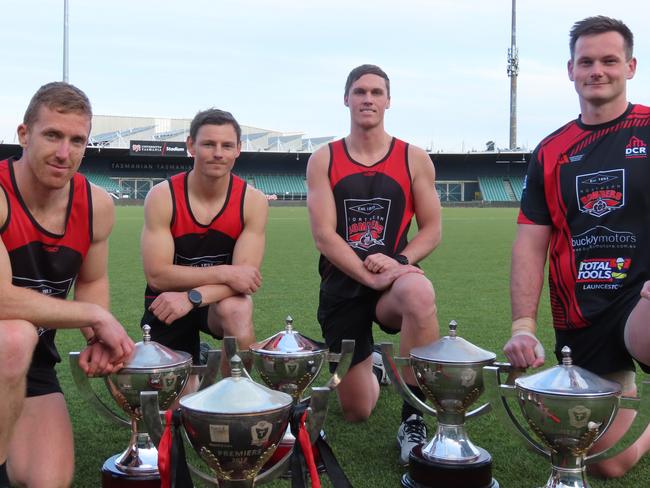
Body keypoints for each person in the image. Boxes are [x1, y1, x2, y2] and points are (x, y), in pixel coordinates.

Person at [504, 16, 650, 478]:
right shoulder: (551, 152)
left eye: (609, 60)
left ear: (629, 66)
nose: (597, 71)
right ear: (570, 70)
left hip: (642, 295)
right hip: (584, 308)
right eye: (586, 61)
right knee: (603, 460)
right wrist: (524, 326)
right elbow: (530, 244)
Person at [0, 82, 135, 488]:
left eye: (77, 140)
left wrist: (95, 336)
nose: (64, 153)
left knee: (48, 481)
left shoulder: (96, 205)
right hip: (9, 346)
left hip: (30, 363)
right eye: (53, 135)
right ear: (24, 134)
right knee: (14, 336)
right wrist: (94, 314)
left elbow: (92, 279)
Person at [306, 64, 441, 466]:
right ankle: (377, 369)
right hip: (342, 285)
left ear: (388, 100)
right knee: (357, 410)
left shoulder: (413, 158)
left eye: (377, 92)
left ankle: (413, 418)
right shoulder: (324, 158)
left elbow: (431, 230)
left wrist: (399, 261)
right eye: (360, 91)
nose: (368, 99)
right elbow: (325, 235)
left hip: (391, 286)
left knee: (419, 290)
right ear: (346, 98)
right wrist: (366, 272)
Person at [140, 108, 267, 385]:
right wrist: (225, 272)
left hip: (212, 303)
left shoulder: (253, 201)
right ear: (191, 146)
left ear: (238, 150)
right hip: (167, 303)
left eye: (227, 145)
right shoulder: (163, 196)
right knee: (175, 409)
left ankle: (231, 399)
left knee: (238, 309)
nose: (218, 153)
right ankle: (195, 361)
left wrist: (192, 297)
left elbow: (244, 280)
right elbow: (158, 276)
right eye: (209, 144)